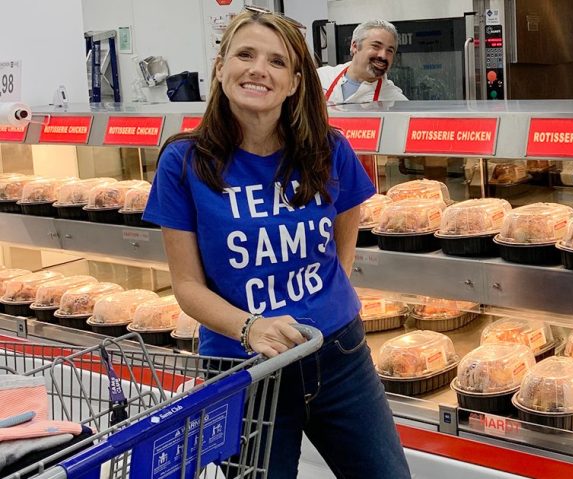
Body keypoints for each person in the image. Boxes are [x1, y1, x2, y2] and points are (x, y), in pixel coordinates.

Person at [143, 8, 410, 479]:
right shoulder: (184, 162)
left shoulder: (329, 148)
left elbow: (346, 224)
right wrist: (251, 327)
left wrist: (331, 294)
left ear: (293, 83)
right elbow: (187, 286)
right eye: (245, 54)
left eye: (277, 62)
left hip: (340, 357)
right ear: (221, 67)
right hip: (243, 371)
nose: (258, 69)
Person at [318, 19, 408, 103]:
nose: (383, 56)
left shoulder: (395, 101)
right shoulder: (321, 78)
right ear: (355, 46)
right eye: (376, 46)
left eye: (389, 50)